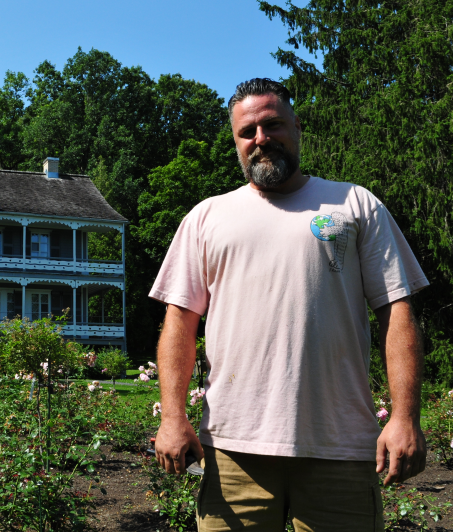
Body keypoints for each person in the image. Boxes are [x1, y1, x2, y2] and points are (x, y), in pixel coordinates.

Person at [149, 78, 428, 531]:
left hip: (339, 448)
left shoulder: (355, 204)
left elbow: (397, 313)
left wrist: (404, 417)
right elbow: (179, 323)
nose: (261, 139)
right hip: (233, 451)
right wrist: (173, 417)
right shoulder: (207, 217)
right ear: (236, 142)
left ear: (296, 127)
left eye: (273, 124)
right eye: (247, 132)